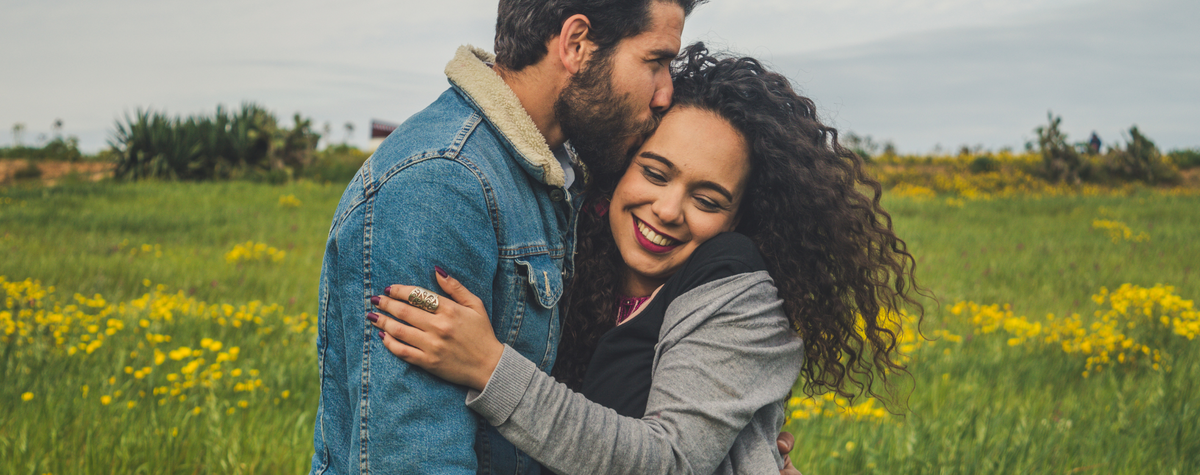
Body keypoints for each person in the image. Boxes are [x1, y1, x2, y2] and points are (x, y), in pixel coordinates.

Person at [367, 44, 923, 473]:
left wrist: (489, 367)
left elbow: (667, 462)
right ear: (619, 169)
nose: (668, 209)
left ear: (737, 219)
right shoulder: (572, 264)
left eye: (708, 200)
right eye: (655, 173)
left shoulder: (739, 290)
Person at [308, 1, 703, 473]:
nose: (665, 93)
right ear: (576, 44)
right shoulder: (442, 186)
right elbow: (413, 459)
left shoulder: (560, 171)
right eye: (655, 62)